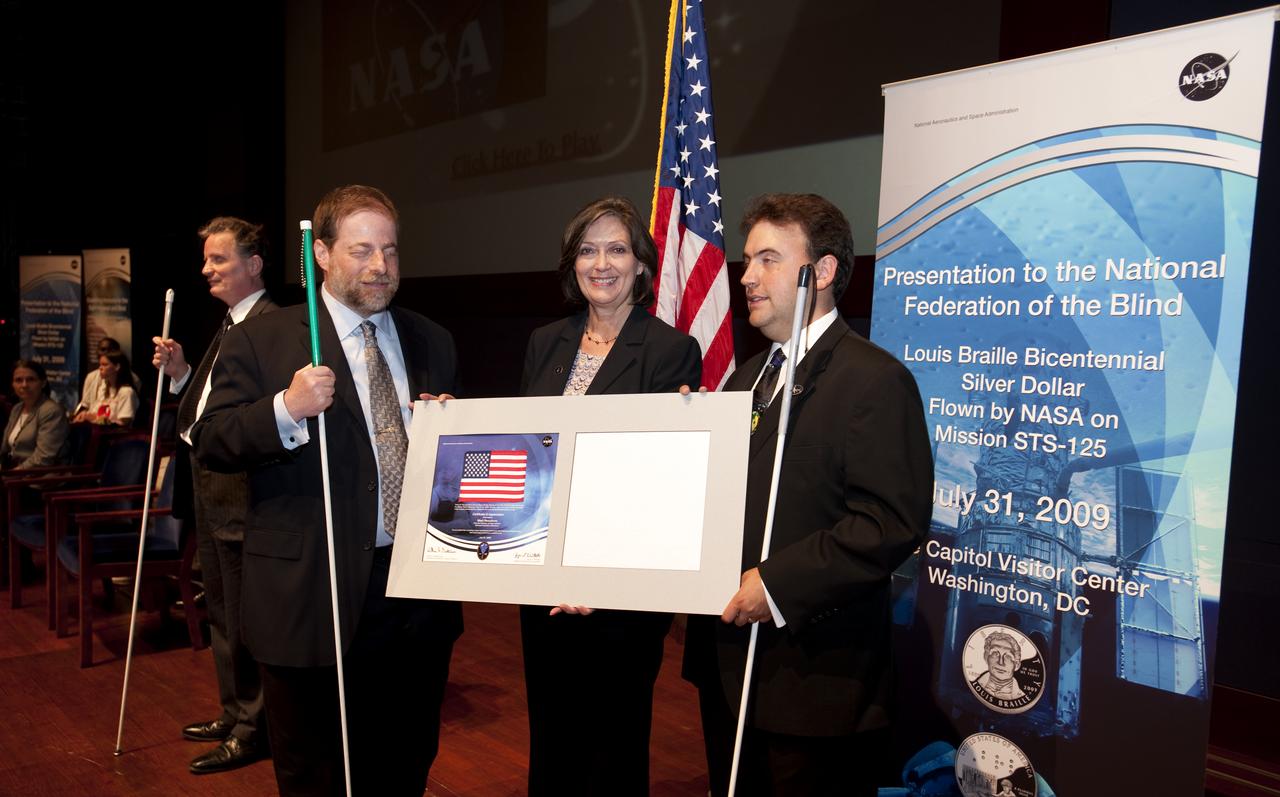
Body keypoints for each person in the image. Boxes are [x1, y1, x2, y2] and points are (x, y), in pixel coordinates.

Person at [194, 185, 462, 796]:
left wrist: (452, 431)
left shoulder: (432, 340)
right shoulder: (260, 340)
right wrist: (285, 408)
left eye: (390, 251)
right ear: (321, 253)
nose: (380, 266)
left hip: (414, 599)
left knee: (405, 763)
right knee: (315, 774)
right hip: (310, 596)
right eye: (362, 250)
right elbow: (211, 439)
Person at [682, 193, 933, 796]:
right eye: (748, 260)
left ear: (820, 271)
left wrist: (775, 586)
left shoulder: (875, 379)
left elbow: (888, 524)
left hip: (815, 685)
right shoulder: (745, 380)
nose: (747, 277)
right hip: (729, 670)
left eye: (768, 259)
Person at [519, 196, 702, 796]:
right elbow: (528, 451)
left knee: (612, 741)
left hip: (621, 590)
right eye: (588, 250)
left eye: (617, 249)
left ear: (642, 265)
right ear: (572, 263)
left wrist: (596, 573)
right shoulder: (545, 342)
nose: (601, 263)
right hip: (544, 579)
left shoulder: (671, 350)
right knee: (551, 732)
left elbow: (661, 481)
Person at [152, 216, 277, 774]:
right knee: (222, 616)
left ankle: (256, 728)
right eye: (206, 259)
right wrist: (182, 373)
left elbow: (257, 418)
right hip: (211, 493)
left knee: (248, 621)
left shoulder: (271, 326)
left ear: (254, 264)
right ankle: (234, 712)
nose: (206, 269)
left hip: (245, 496)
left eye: (218, 259)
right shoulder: (230, 323)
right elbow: (210, 410)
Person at [2, 360, 72, 469]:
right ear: (13, 384)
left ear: (43, 383)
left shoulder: (52, 411)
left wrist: (13, 473)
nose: (24, 385)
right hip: (15, 472)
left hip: (39, 475)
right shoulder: (17, 409)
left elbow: (43, 458)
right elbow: (4, 449)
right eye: (18, 380)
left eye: (30, 379)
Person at [73, 349, 138, 426]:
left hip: (115, 432)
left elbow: (124, 424)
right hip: (97, 430)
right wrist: (86, 415)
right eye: (100, 365)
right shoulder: (103, 389)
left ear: (117, 366)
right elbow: (97, 414)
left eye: (105, 365)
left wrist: (97, 419)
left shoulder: (126, 392)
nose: (100, 368)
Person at [75, 337, 142, 410]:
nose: (103, 353)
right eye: (101, 349)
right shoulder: (93, 379)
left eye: (105, 364)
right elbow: (86, 404)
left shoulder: (128, 389)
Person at [973, 632, 1026, 701]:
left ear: (1017, 665)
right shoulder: (976, 683)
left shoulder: (1021, 696)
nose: (1001, 662)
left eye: (1008, 657)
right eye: (995, 653)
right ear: (986, 658)